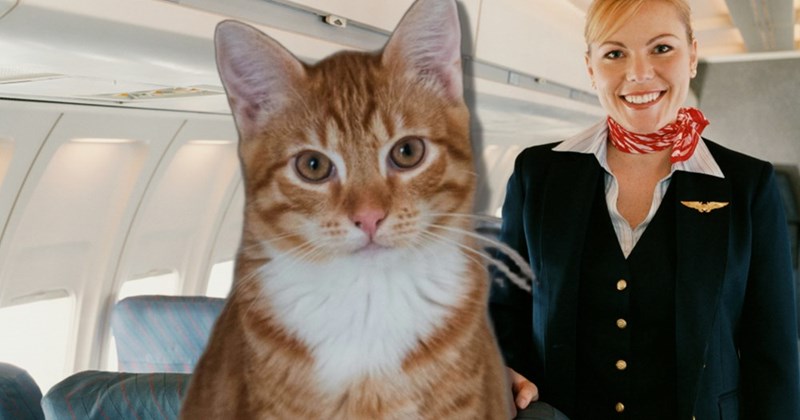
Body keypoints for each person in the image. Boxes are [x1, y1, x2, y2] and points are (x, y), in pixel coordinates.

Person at [489, 0, 800, 418]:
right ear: (590, 67)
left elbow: (773, 355)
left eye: (661, 48)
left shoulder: (747, 186)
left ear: (692, 55)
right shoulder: (538, 174)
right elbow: (505, 310)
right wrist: (502, 372)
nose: (638, 73)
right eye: (614, 53)